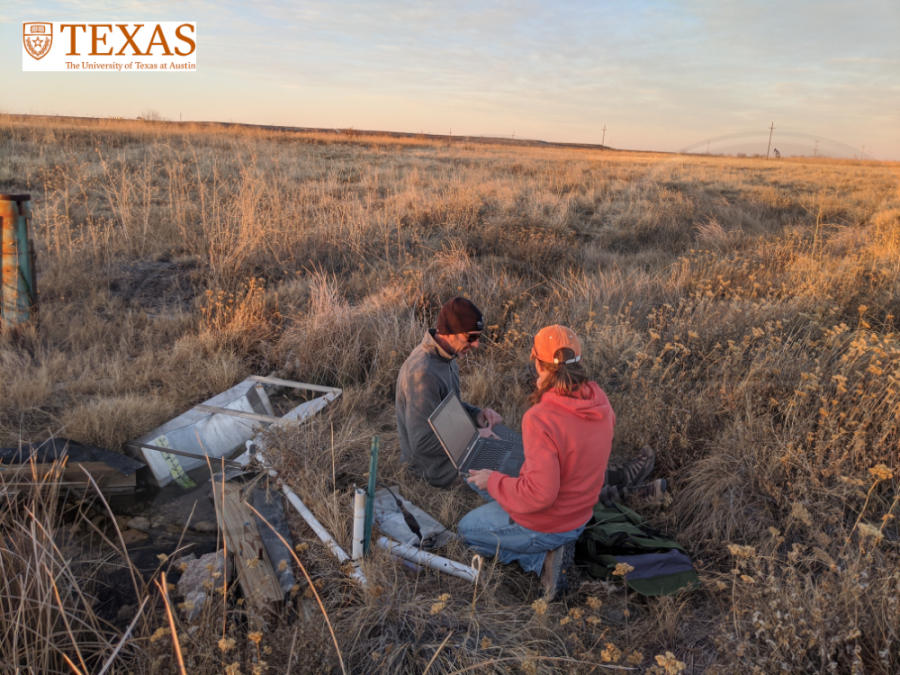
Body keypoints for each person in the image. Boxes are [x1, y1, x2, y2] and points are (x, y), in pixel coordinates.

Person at [458, 324, 644, 598]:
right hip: (580, 513)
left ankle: (541, 559)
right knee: (474, 476)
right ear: (578, 360)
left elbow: (540, 495)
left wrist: (495, 480)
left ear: (538, 363)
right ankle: (546, 541)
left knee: (466, 531)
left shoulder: (540, 417)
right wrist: (511, 459)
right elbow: (567, 457)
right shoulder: (598, 399)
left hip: (551, 522)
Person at [396, 297, 503, 487]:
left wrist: (476, 414)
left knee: (507, 450)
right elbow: (421, 443)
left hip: (454, 450)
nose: (476, 344)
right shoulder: (423, 373)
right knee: (507, 472)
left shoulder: (448, 356)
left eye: (478, 337)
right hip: (432, 469)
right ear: (448, 332)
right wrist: (475, 438)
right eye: (471, 337)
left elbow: (447, 408)